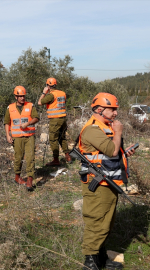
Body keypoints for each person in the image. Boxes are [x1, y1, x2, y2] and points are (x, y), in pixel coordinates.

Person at [77, 93, 136, 270]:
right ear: (99, 109)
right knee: (97, 221)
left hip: (109, 182)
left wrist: (124, 153)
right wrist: (118, 132)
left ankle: (100, 257)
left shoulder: (105, 126)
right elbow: (111, 151)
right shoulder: (92, 129)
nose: (116, 113)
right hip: (98, 184)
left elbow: (109, 153)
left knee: (107, 221)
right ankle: (90, 262)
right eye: (113, 109)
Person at [4, 86, 39, 191]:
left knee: (30, 157)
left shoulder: (30, 105)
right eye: (20, 96)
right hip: (16, 138)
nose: (22, 98)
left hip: (29, 137)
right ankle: (17, 177)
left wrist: (28, 123)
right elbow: (7, 122)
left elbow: (36, 118)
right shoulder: (10, 108)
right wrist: (7, 135)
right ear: (16, 97)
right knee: (18, 158)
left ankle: (29, 179)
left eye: (23, 96)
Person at [38, 77, 71, 165]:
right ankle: (68, 156)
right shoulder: (62, 93)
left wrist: (44, 92)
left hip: (55, 120)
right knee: (62, 137)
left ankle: (56, 160)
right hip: (63, 118)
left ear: (48, 86)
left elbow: (40, 102)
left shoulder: (51, 95)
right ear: (55, 85)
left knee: (53, 139)